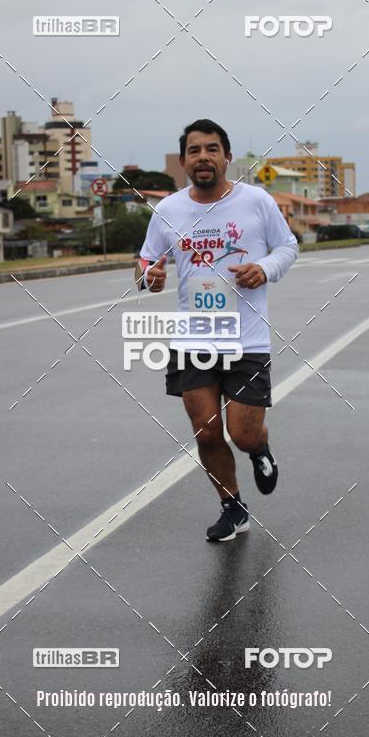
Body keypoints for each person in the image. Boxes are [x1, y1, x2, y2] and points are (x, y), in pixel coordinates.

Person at [137, 119, 299, 542]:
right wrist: (149, 276)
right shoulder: (169, 210)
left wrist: (263, 268)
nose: (203, 157)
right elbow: (146, 260)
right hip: (193, 339)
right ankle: (233, 507)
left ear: (227, 157)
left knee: (241, 433)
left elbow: (289, 246)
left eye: (212, 149)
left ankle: (259, 449)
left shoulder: (256, 201)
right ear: (184, 161)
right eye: (194, 150)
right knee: (207, 431)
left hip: (246, 339)